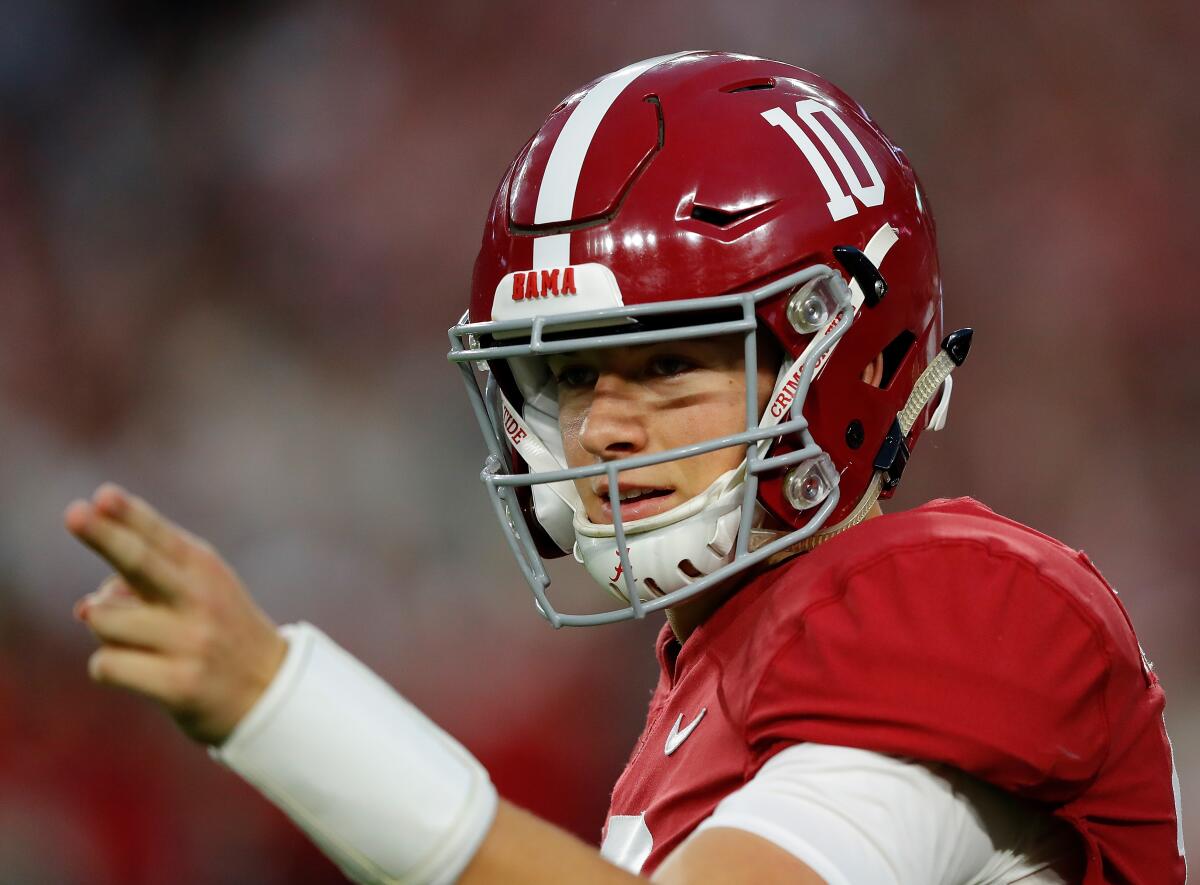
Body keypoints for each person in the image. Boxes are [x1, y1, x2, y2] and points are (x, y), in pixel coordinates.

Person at [65, 51, 1185, 884]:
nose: (603, 429)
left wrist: (284, 706)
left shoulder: (959, 603)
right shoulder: (715, 673)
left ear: (840, 349)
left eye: (665, 364)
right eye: (569, 377)